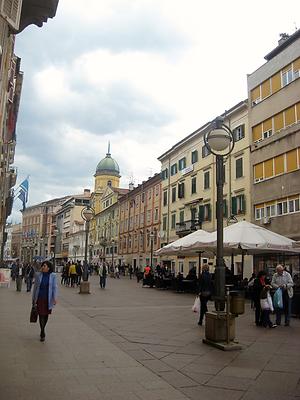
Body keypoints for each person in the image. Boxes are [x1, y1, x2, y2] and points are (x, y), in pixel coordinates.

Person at [32, 261, 58, 342]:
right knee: (41, 315)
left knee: (46, 315)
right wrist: (33, 299)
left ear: (49, 268)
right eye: (42, 266)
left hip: (48, 298)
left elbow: (54, 287)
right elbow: (35, 287)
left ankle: (43, 329)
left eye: (45, 266)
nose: (43, 267)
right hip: (39, 298)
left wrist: (55, 298)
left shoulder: (53, 275)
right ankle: (42, 331)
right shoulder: (38, 275)